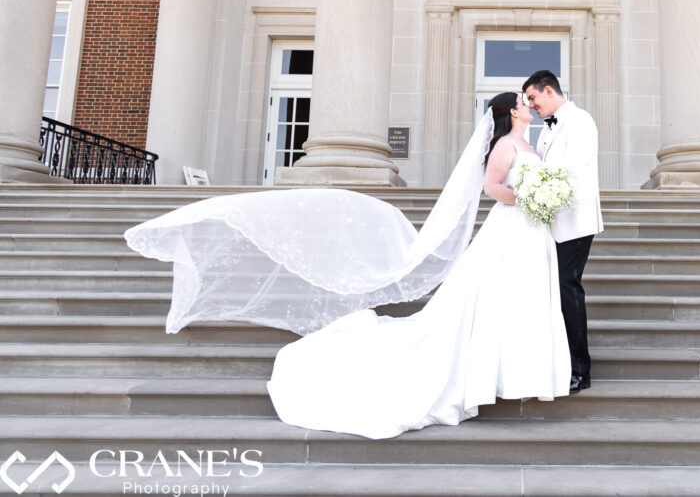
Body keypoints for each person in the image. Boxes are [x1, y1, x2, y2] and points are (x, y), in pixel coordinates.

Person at [125, 92, 569, 439]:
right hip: (511, 227)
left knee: (517, 301)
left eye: (529, 100)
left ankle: (515, 371)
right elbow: (493, 186)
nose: (528, 104)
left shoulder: (528, 143)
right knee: (489, 301)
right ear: (510, 114)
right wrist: (528, 198)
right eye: (522, 102)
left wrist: (541, 200)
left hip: (529, 235)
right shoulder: (504, 147)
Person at [522, 70, 604, 393]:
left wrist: (540, 189)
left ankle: (581, 370)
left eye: (533, 98)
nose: (532, 105)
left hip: (576, 220)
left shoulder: (580, 120)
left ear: (548, 91)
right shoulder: (545, 130)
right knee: (558, 292)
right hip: (553, 221)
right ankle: (562, 362)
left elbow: (573, 169)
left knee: (568, 289)